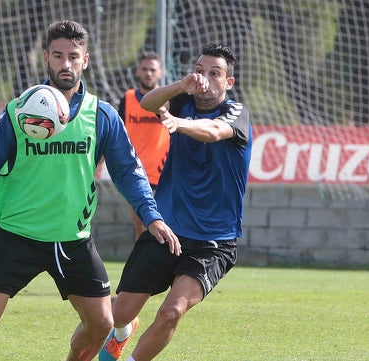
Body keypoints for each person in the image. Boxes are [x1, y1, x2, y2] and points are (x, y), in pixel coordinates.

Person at [0, 20, 180, 361]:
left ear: (86, 61)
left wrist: (151, 216)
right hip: (17, 235)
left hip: (72, 239)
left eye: (73, 56)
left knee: (101, 325)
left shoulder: (103, 116)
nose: (65, 64)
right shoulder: (19, 112)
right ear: (46, 59)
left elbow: (129, 172)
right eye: (58, 56)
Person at [99, 43, 252, 361]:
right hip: (166, 229)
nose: (206, 79)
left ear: (229, 82)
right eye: (201, 71)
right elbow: (146, 102)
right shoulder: (182, 100)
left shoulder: (238, 113)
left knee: (173, 310)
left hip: (213, 242)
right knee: (117, 313)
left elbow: (212, 131)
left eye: (216, 73)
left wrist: (179, 123)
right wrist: (182, 84)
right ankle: (122, 332)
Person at [118, 50, 170, 240]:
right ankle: (143, 265)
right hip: (135, 172)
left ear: (160, 73)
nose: (149, 73)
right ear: (138, 71)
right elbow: (118, 134)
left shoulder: (167, 100)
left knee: (164, 224)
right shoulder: (128, 99)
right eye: (145, 69)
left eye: (153, 70)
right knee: (140, 225)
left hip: (163, 173)